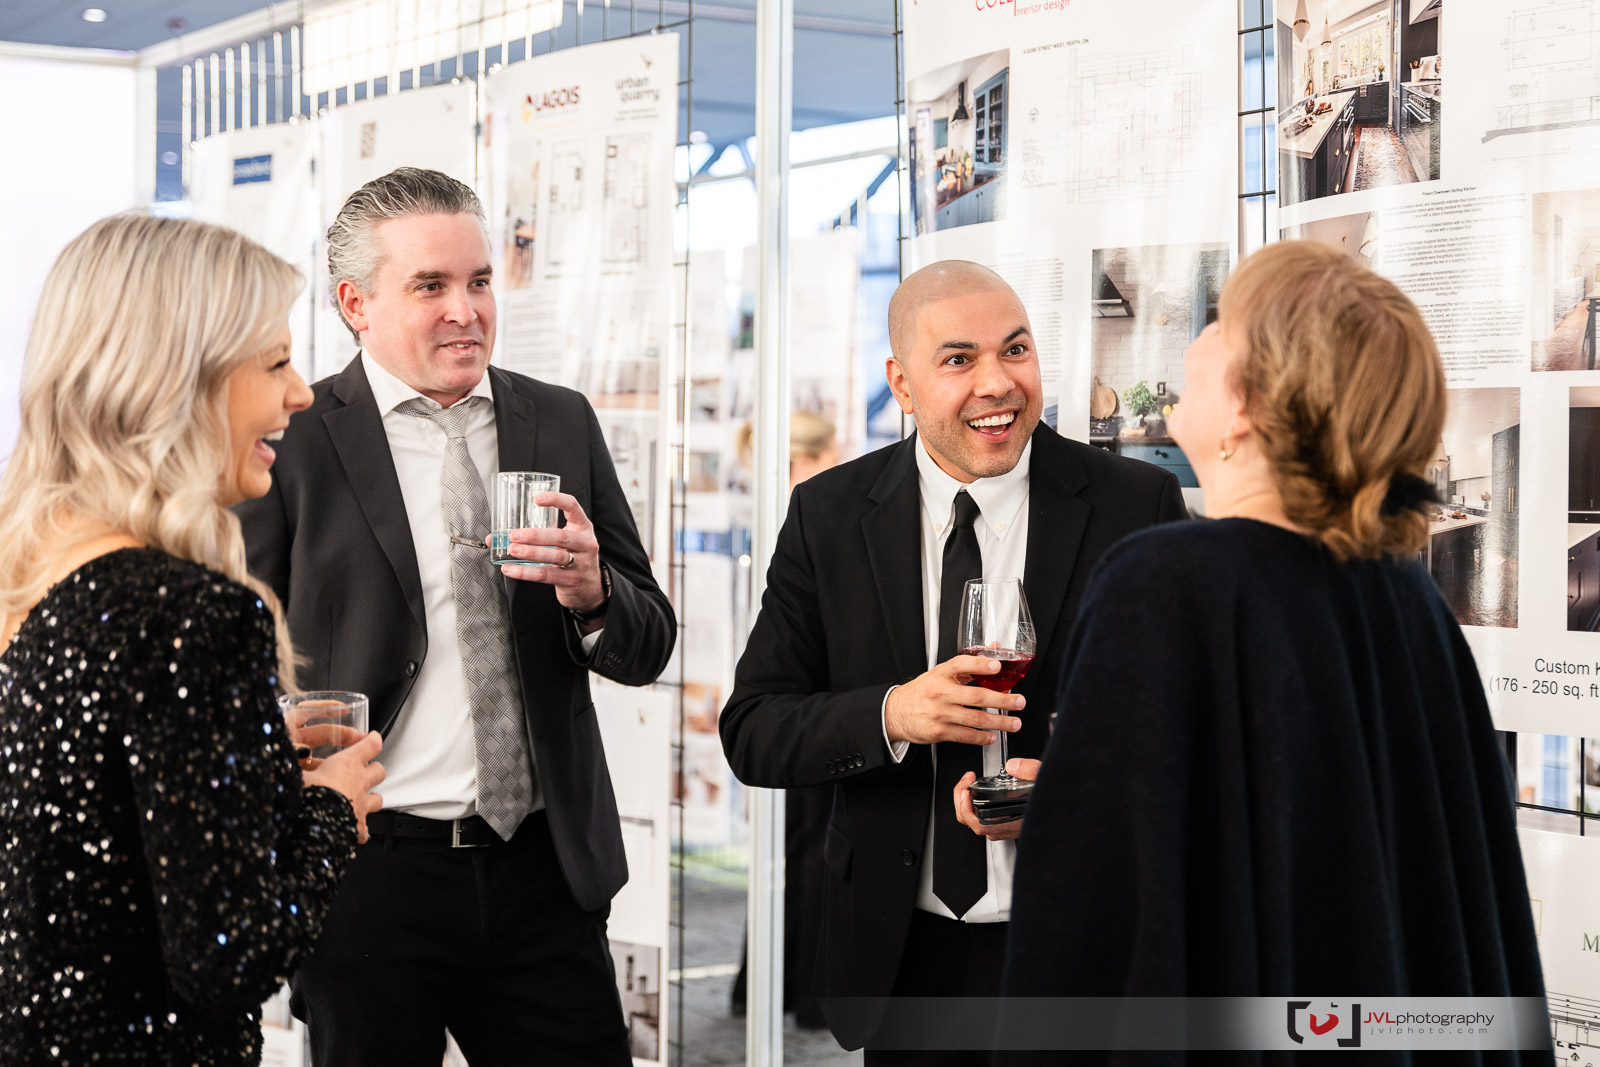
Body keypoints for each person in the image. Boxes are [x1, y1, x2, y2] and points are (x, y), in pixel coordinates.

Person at [999, 241, 1550, 1060]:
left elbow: (1093, 917)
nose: (1197, 339)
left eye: (1221, 323)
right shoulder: (1409, 597)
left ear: (1248, 404)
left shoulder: (1165, 584)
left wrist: (1082, 805)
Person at [236, 167, 676, 1066]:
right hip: (367, 873)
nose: (465, 312)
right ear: (355, 303)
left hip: (545, 870)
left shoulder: (559, 419)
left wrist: (594, 592)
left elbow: (648, 642)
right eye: (430, 286)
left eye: (479, 281)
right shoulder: (293, 440)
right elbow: (242, 660)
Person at [719, 260, 1188, 1061]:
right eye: (960, 359)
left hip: (1079, 940)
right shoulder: (828, 516)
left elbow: (1188, 728)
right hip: (902, 955)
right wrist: (893, 714)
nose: (998, 383)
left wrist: (1075, 791)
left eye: (1016, 349)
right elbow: (754, 728)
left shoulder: (1133, 505)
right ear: (902, 384)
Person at [0, 214, 384, 1064]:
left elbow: (88, 820)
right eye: (275, 363)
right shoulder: (189, 614)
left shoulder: (30, 572)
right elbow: (230, 956)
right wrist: (329, 809)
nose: (302, 394)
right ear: (179, 380)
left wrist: (245, 757)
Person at [730, 411, 841, 1028]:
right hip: (812, 703)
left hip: (797, 704)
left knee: (798, 848)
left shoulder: (786, 511)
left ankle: (768, 986)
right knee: (813, 848)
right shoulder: (813, 513)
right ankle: (803, 991)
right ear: (808, 457)